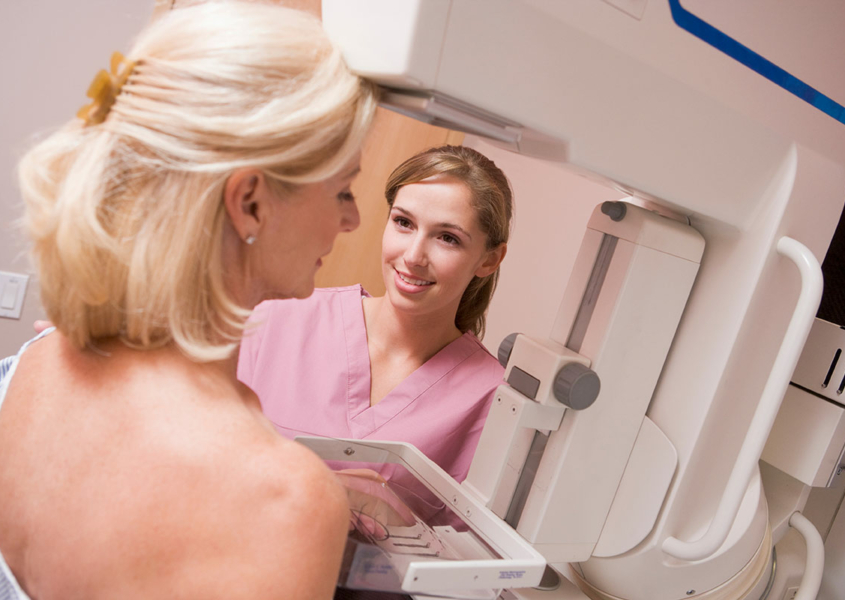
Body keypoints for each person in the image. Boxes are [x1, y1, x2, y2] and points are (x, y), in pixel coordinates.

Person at [0, 2, 377, 599]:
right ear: (250, 201)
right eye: (344, 189)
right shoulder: (284, 502)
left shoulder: (34, 366)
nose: (354, 219)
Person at [238, 145, 512, 518]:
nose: (414, 256)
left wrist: (398, 521)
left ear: (489, 259)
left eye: (447, 238)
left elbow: (466, 557)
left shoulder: (491, 398)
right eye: (404, 223)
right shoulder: (277, 318)